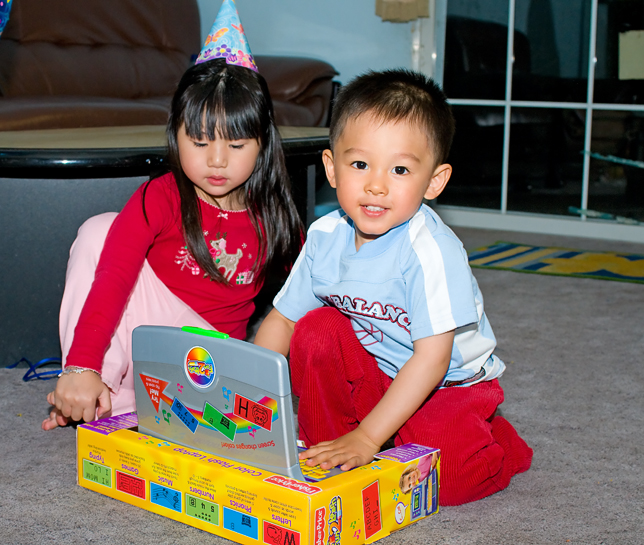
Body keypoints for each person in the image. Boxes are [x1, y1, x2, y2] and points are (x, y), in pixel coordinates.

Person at [254, 69, 532, 505]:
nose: (376, 185)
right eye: (360, 164)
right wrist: (247, 392)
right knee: (317, 328)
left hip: (446, 385)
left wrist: (368, 436)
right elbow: (283, 321)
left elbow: (432, 361)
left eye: (400, 169)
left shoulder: (431, 252)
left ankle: (496, 440)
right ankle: (330, 447)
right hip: (376, 371)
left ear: (434, 182)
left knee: (449, 483)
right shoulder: (325, 237)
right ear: (332, 167)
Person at [41, 16, 303, 430]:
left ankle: (134, 402)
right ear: (174, 136)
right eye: (199, 142)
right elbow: (111, 280)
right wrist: (81, 366)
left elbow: (307, 295)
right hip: (150, 345)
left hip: (211, 365)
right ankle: (99, 387)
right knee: (100, 231)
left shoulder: (275, 215)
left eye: (235, 145)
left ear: (262, 144)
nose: (217, 160)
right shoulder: (161, 196)